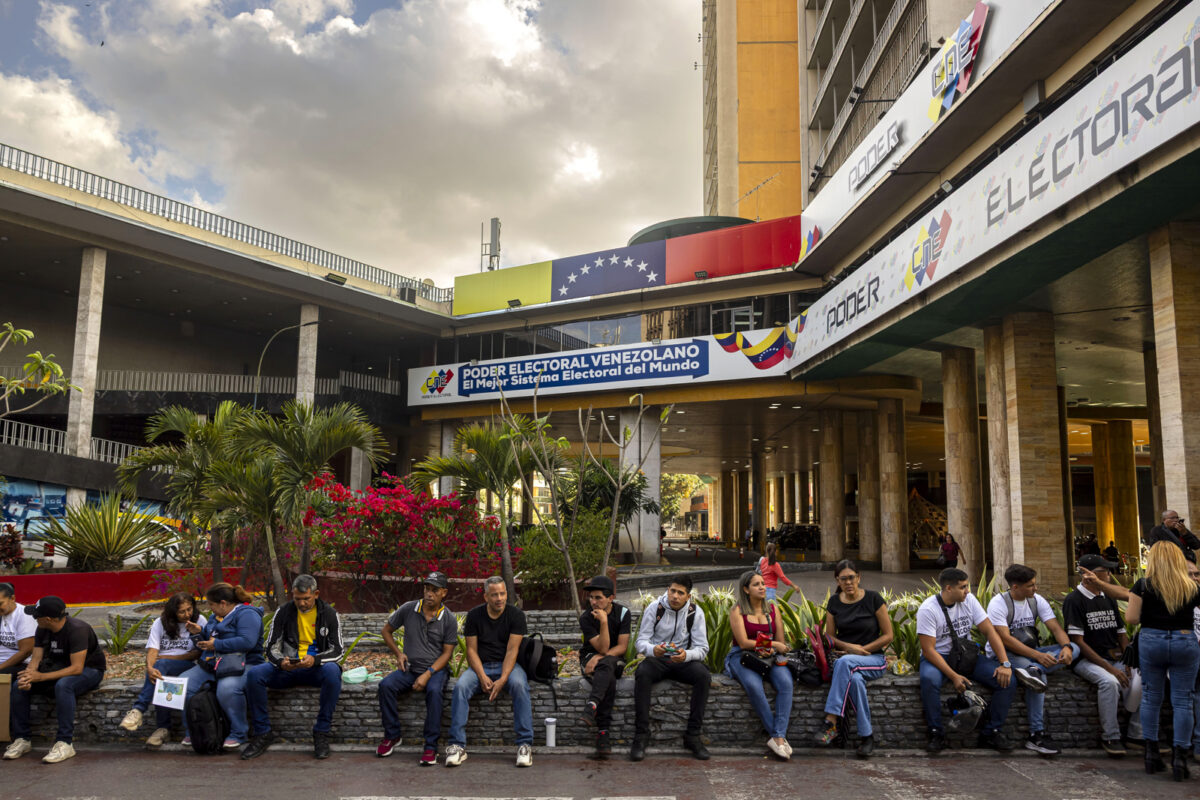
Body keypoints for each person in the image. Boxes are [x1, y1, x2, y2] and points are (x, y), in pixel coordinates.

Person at [242, 574, 344, 760]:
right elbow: (271, 646)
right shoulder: (284, 612)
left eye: (306, 599)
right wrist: (281, 662)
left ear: (316, 594)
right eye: (298, 599)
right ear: (292, 596)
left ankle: (321, 732)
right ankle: (262, 732)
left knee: (333, 671)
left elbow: (337, 650)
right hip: (287, 668)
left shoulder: (329, 613)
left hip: (314, 669)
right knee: (255, 674)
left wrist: (316, 660)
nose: (302, 603)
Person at [917, 567, 1015, 754]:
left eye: (967, 586)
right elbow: (928, 651)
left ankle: (991, 731)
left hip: (966, 655)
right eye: (962, 587)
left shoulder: (969, 600)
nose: (968, 591)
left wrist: (1005, 664)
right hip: (939, 657)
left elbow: (989, 631)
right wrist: (954, 676)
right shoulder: (928, 610)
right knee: (929, 681)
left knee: (1008, 682)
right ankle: (936, 732)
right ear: (948, 588)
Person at [986, 564, 1078, 756]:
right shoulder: (999, 603)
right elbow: (1004, 638)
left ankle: (1033, 669)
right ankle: (1036, 735)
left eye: (1034, 584)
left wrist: (1067, 648)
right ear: (1015, 587)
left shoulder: (1036, 601)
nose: (1035, 589)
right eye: (1030, 586)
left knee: (1075, 648)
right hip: (1005, 654)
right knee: (1039, 682)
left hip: (1031, 653)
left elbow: (1055, 628)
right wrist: (1037, 656)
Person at [1126, 541, 1200, 780]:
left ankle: (1151, 754)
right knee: (1183, 700)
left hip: (1151, 640)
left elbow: (1132, 618)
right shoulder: (1191, 586)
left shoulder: (1143, 586)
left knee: (1150, 698)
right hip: (1184, 640)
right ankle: (1180, 758)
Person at [3, 595, 105, 763]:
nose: (33, 618)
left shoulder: (78, 630)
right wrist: (29, 676)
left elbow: (76, 668)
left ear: (48, 619)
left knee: (63, 686)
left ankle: (65, 743)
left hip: (89, 670)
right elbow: (35, 659)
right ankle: (22, 739)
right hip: (56, 667)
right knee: (18, 685)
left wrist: (41, 677)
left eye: (36, 615)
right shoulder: (42, 628)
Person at [446, 576, 533, 768]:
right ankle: (457, 746)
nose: (499, 598)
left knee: (519, 684)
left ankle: (524, 745)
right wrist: (482, 676)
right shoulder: (475, 615)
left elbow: (512, 650)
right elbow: (471, 650)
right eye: (494, 595)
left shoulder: (516, 615)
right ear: (486, 596)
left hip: (508, 666)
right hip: (481, 665)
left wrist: (503, 678)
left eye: (502, 593)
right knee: (460, 687)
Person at [376, 571, 458, 765]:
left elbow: (447, 654)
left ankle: (431, 746)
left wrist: (428, 674)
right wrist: (399, 653)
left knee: (434, 691)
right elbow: (386, 631)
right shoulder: (409, 609)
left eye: (434, 590)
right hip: (411, 669)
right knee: (385, 686)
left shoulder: (449, 619)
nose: (429, 593)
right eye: (427, 589)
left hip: (435, 670)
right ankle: (393, 735)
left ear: (443, 593)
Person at [1064, 554, 1142, 757]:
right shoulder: (1074, 600)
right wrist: (1111, 669)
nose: (1109, 574)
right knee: (1109, 683)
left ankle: (1137, 734)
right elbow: (1078, 641)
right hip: (1087, 660)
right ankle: (1111, 736)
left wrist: (1128, 659)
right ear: (1087, 574)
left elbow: (1121, 633)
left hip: (1113, 658)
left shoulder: (1108, 597)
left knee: (1145, 677)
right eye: (1104, 571)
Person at [631, 573, 711, 762]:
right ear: (667, 590)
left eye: (680, 593)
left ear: (688, 596)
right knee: (642, 673)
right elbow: (640, 642)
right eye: (672, 591)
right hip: (658, 659)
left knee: (703, 676)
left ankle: (692, 736)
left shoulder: (695, 612)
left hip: (682, 660)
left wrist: (686, 655)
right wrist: (653, 649)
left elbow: (702, 648)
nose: (675, 596)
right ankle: (641, 735)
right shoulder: (655, 608)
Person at [816, 559, 892, 757]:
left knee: (844, 663)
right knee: (855, 681)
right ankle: (867, 737)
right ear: (837, 581)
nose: (848, 582)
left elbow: (888, 635)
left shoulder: (874, 599)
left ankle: (831, 720)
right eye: (843, 579)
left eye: (852, 578)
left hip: (873, 659)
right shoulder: (834, 602)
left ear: (859, 578)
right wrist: (849, 647)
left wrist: (862, 650)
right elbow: (830, 637)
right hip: (849, 662)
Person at [176, 583, 265, 750]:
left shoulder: (247, 614)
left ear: (223, 603)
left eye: (212, 604)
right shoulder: (215, 616)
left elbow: (247, 642)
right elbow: (211, 635)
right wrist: (200, 631)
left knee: (227, 689)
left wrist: (216, 644)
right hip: (212, 663)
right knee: (182, 684)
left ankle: (239, 732)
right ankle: (193, 730)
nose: (210, 608)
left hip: (243, 663)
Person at [118, 592, 205, 747]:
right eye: (182, 611)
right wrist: (150, 668)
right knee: (158, 675)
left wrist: (167, 659)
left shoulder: (199, 620)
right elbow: (153, 649)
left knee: (161, 667)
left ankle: (140, 710)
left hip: (187, 666)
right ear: (173, 612)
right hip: (163, 667)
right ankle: (162, 729)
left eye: (189, 609)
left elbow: (196, 654)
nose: (187, 614)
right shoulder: (161, 623)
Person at [725, 570, 792, 760]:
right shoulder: (737, 610)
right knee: (754, 687)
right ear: (746, 589)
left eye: (763, 583)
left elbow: (781, 642)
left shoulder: (772, 609)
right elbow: (744, 642)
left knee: (786, 684)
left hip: (770, 657)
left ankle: (777, 736)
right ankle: (778, 737)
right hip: (743, 657)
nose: (762, 587)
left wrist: (772, 649)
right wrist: (772, 645)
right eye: (756, 584)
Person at [578, 575, 631, 758]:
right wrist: (603, 622)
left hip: (611, 656)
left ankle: (592, 705)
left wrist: (601, 657)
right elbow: (601, 646)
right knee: (608, 674)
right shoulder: (586, 617)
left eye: (598, 597)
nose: (593, 602)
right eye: (591, 597)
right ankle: (603, 733)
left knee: (606, 665)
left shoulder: (623, 613)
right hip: (591, 656)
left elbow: (621, 647)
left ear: (610, 598)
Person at [0, 582, 37, 675]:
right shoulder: (2, 614)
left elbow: (26, 651)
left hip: (19, 663)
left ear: (12, 598)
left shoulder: (24, 615)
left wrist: (0, 667)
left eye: (0, 603)